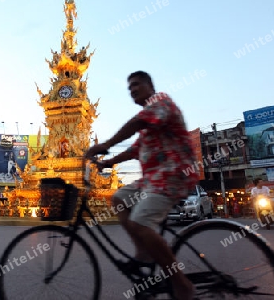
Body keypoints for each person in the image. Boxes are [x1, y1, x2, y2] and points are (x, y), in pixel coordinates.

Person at [85, 71, 197, 300]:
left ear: (149, 85)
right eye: (129, 87)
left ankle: (182, 284)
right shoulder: (149, 125)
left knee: (141, 222)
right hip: (151, 181)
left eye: (136, 85)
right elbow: (132, 150)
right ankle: (144, 252)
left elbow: (137, 122)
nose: (132, 90)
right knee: (118, 198)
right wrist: (106, 162)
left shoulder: (160, 102)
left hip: (173, 175)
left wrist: (104, 144)